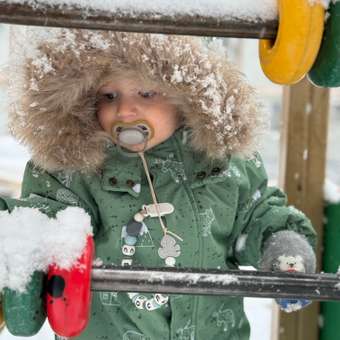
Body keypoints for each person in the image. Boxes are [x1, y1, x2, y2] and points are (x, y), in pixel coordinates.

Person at [0, 29, 316, 340]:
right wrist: (21, 248)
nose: (124, 110)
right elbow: (45, 216)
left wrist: (281, 245)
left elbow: (256, 215)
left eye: (146, 93)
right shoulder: (77, 170)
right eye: (109, 96)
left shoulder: (223, 164)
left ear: (188, 96)